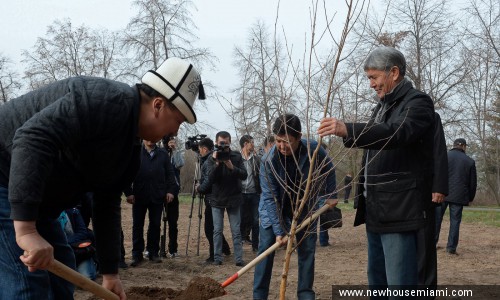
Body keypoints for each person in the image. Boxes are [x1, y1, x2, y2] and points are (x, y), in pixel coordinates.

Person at [0, 56, 204, 299]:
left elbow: (106, 203)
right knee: (28, 285)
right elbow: (31, 139)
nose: (175, 132)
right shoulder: (104, 101)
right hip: (5, 176)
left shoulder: (129, 150)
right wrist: (25, 232)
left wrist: (110, 273)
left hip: (41, 202)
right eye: (178, 122)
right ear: (158, 105)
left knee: (61, 275)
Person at [318, 46, 435, 288]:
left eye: (374, 77)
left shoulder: (418, 103)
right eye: (368, 78)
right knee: (378, 285)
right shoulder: (381, 107)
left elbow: (395, 134)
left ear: (393, 72)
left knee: (400, 287)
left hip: (400, 212)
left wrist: (349, 129)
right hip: (376, 210)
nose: (371, 84)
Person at [254, 114, 338, 300]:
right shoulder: (268, 161)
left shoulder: (313, 150)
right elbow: (270, 197)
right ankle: (259, 296)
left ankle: (305, 295)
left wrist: (331, 195)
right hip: (273, 210)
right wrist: (279, 230)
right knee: (265, 251)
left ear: (299, 137)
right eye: (278, 141)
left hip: (304, 208)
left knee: (307, 251)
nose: (282, 146)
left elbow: (329, 168)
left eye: (287, 142)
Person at [125, 139, 177, 266]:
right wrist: (128, 192)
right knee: (137, 225)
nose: (151, 138)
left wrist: (170, 191)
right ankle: (137, 254)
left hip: (157, 196)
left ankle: (153, 252)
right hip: (139, 196)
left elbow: (170, 174)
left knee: (155, 224)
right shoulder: (135, 153)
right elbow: (126, 173)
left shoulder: (163, 154)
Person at [203, 131, 247, 266]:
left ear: (229, 142)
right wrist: (216, 163)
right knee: (217, 230)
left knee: (236, 230)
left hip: (234, 198)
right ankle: (217, 259)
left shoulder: (236, 156)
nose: (223, 145)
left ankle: (239, 259)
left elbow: (244, 175)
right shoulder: (211, 158)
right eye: (221, 143)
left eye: (226, 143)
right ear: (216, 143)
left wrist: (231, 167)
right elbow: (209, 179)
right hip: (217, 199)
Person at [417, 112, 448, 297]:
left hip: (426, 190)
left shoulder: (430, 116)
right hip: (399, 193)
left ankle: (426, 292)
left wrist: (439, 187)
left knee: (425, 245)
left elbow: (439, 150)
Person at [435, 138, 477, 255]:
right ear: (463, 146)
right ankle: (451, 248)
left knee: (436, 220)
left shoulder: (444, 157)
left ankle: (432, 244)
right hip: (459, 196)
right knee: (455, 222)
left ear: (454, 145)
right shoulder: (469, 161)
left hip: (441, 193)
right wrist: (470, 197)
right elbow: (472, 183)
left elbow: (435, 174)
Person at [197, 137, 232, 263]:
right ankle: (225, 248)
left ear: (204, 149)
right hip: (215, 198)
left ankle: (213, 255)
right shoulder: (212, 158)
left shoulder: (209, 161)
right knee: (215, 228)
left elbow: (209, 181)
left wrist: (200, 188)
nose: (199, 152)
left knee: (210, 229)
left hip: (212, 198)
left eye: (200, 150)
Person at [58, 207, 98, 280]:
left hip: (76, 252)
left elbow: (82, 232)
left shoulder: (73, 211)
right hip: (56, 254)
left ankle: (94, 264)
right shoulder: (43, 213)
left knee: (87, 278)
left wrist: (63, 242)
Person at [239, 134, 261, 252]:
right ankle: (239, 244)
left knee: (255, 220)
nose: (253, 144)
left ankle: (256, 246)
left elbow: (260, 176)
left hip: (254, 194)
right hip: (241, 193)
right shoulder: (237, 158)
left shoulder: (257, 159)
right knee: (241, 220)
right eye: (251, 142)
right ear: (245, 144)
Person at [164, 137, 185, 258]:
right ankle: (153, 249)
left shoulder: (176, 154)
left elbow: (180, 164)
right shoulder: (160, 153)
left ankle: (173, 249)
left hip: (173, 192)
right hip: (159, 191)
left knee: (173, 222)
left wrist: (175, 150)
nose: (170, 143)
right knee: (155, 222)